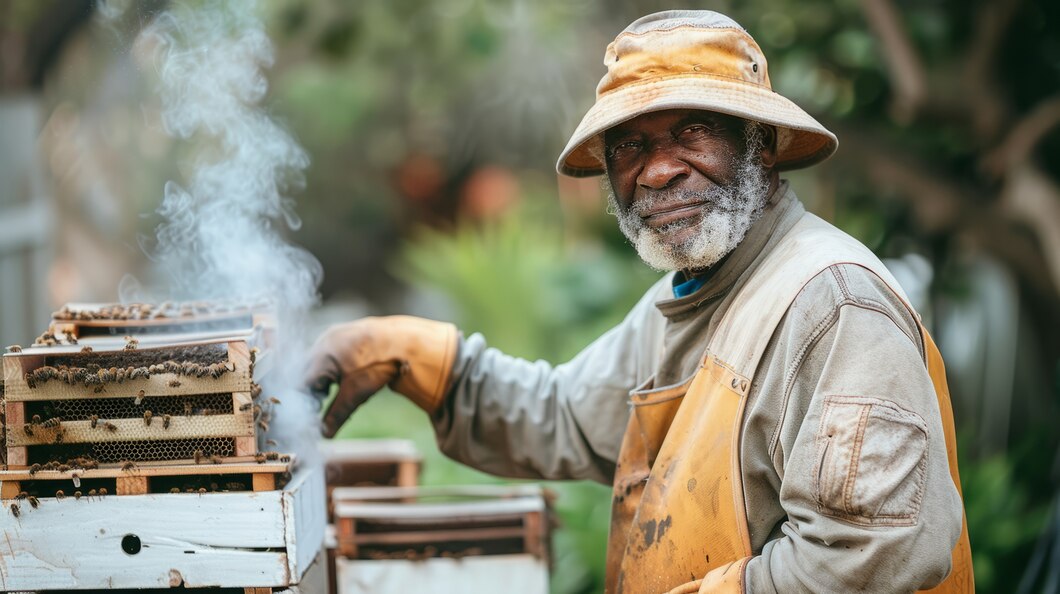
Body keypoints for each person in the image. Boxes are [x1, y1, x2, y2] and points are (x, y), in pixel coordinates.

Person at [306, 10, 973, 593]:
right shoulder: (690, 293)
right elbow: (568, 417)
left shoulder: (832, 303)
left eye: (693, 131)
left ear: (762, 146)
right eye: (631, 144)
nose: (657, 170)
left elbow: (877, 554)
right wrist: (416, 360)